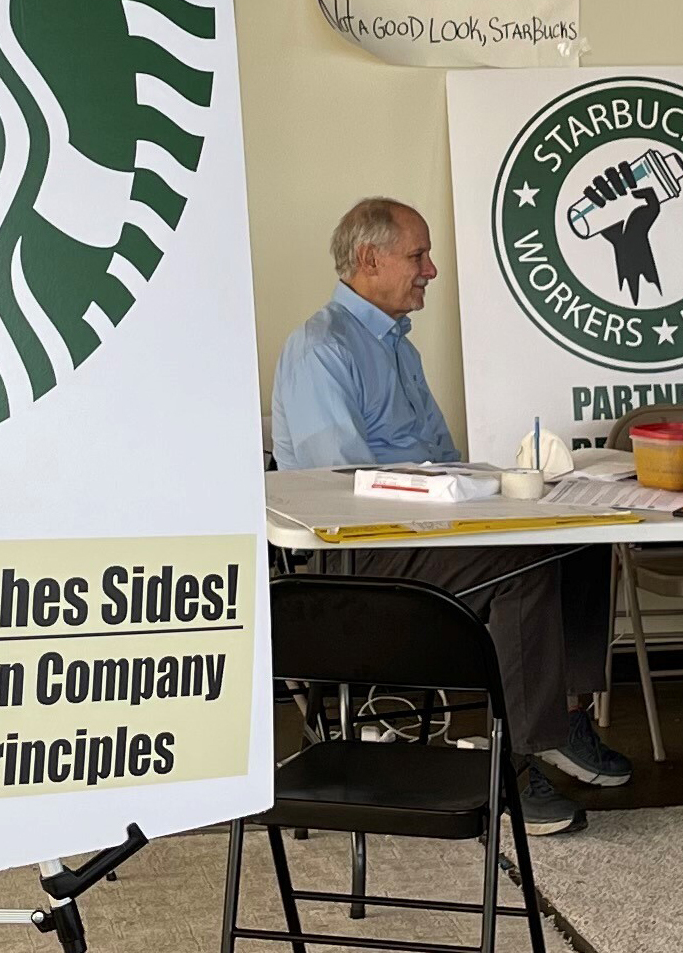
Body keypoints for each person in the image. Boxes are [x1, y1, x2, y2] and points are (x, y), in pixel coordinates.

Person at [270, 197, 629, 833]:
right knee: (520, 571)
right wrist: (462, 509)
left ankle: (562, 718)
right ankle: (515, 767)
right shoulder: (321, 348)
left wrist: (502, 491)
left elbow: (443, 460)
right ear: (369, 259)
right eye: (419, 255)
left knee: (582, 539)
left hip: (426, 532)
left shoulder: (397, 348)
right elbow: (341, 495)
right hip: (361, 556)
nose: (431, 269)